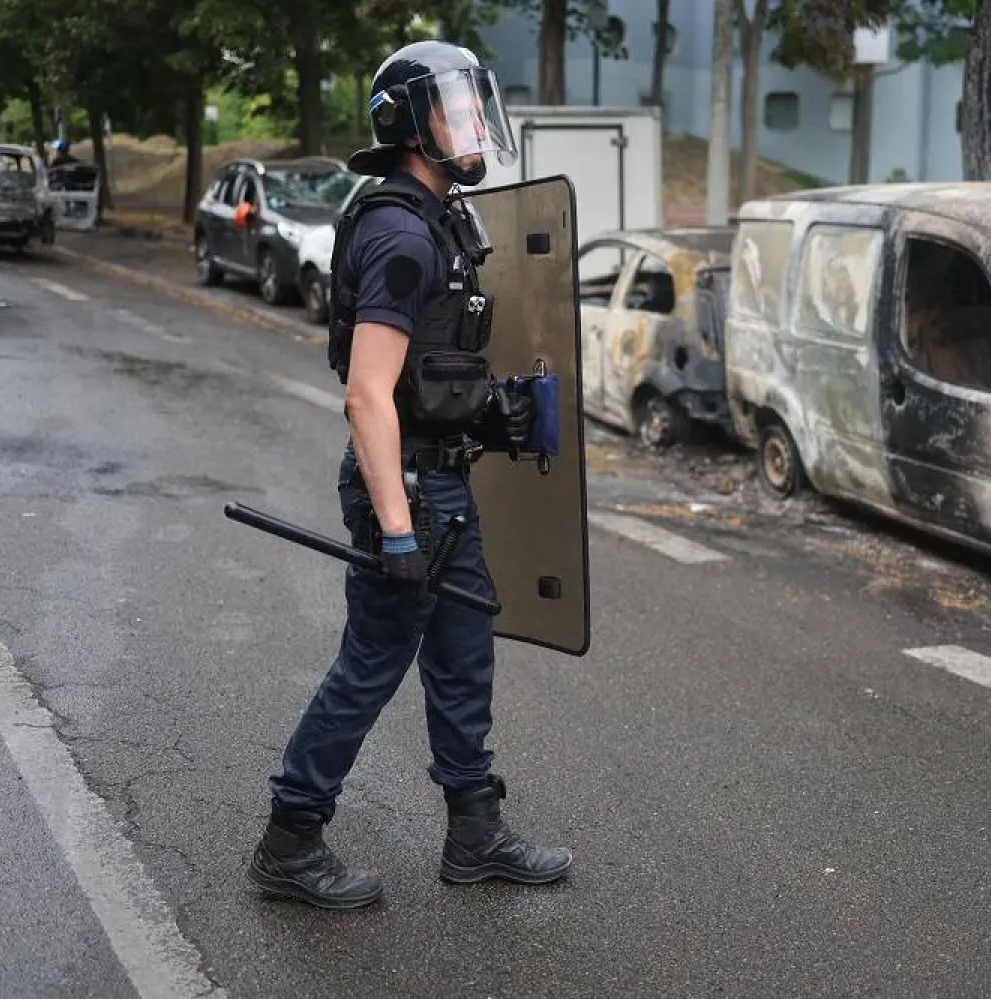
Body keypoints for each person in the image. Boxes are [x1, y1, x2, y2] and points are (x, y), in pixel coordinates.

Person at [245, 39, 572, 910]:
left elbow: (432, 368)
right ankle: (290, 837)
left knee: (464, 652)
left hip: (440, 484)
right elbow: (366, 394)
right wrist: (396, 526)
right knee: (372, 662)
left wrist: (492, 408)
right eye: (452, 111)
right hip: (411, 491)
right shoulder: (398, 232)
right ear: (406, 125)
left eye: (472, 108)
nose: (469, 126)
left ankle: (474, 832)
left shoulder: (439, 219)